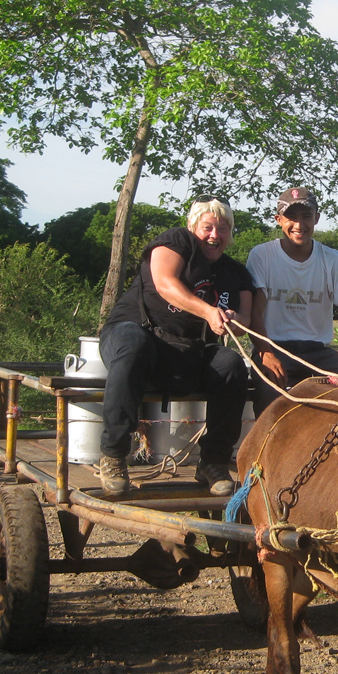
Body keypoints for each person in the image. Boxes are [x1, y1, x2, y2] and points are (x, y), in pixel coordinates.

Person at [98, 196, 253, 497]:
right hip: (137, 335)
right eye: (207, 227)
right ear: (192, 227)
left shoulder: (235, 272)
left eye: (223, 229)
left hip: (188, 352)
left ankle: (213, 462)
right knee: (134, 345)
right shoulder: (176, 240)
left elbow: (247, 316)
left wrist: (234, 319)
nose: (214, 235)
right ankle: (114, 453)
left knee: (231, 366)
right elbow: (165, 283)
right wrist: (208, 311)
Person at [246, 186, 338, 416]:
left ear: (317, 218)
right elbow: (255, 312)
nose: (299, 225)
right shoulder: (262, 255)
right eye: (291, 217)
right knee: (270, 396)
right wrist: (265, 353)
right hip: (276, 347)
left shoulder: (333, 260)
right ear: (279, 220)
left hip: (318, 353)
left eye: (306, 217)